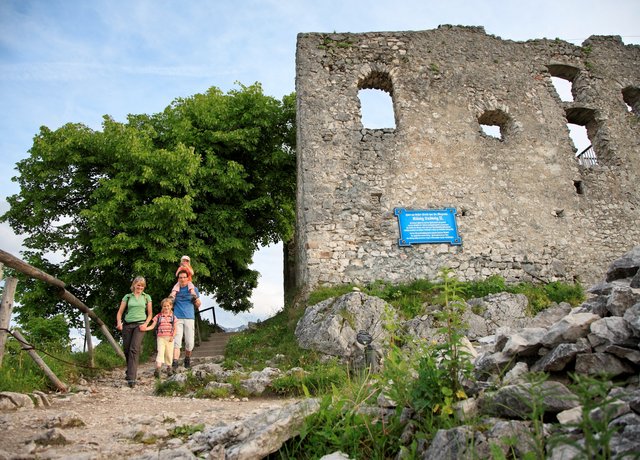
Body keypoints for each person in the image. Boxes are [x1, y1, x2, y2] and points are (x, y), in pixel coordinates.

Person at [116, 276, 152, 388]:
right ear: (134, 285)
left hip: (140, 325)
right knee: (127, 349)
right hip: (127, 325)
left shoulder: (146, 297)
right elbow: (120, 312)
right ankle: (130, 371)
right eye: (138, 285)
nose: (140, 287)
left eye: (142, 285)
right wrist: (119, 322)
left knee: (134, 349)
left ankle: (132, 378)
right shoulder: (128, 297)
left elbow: (150, 314)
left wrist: (146, 324)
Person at [172, 268, 201, 369]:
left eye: (184, 277)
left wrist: (195, 300)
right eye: (180, 278)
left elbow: (198, 304)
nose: (183, 279)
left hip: (189, 317)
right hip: (177, 317)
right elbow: (170, 303)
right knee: (176, 341)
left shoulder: (193, 289)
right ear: (178, 279)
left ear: (188, 278)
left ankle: (187, 359)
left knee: (189, 342)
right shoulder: (175, 289)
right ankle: (175, 363)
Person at [142, 297, 176, 378]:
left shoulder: (173, 317)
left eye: (168, 306)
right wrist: (145, 328)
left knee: (169, 354)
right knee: (160, 352)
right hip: (161, 337)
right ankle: (158, 369)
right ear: (162, 307)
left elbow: (175, 329)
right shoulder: (158, 316)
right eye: (164, 306)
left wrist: (172, 336)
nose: (166, 307)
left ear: (171, 306)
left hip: (170, 338)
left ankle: (169, 369)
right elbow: (153, 326)